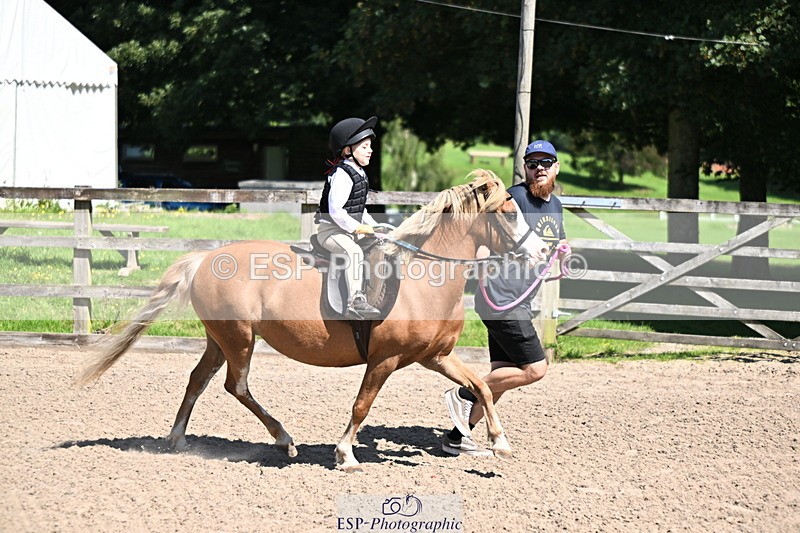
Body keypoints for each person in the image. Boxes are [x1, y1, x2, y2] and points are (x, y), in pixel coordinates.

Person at [442, 139, 567, 456]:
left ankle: (457, 437)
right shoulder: (514, 198)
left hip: (520, 299)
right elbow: (486, 233)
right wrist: (483, 266)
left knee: (503, 374)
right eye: (532, 163)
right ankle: (466, 393)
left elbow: (554, 241)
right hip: (502, 298)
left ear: (556, 167)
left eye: (545, 163)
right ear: (525, 167)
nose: (539, 169)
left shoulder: (555, 204)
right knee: (535, 369)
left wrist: (562, 254)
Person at [314, 116, 382, 319]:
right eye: (364, 147)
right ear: (347, 150)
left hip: (347, 231)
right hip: (331, 232)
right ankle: (355, 301)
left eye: (370, 146)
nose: (370, 150)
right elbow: (336, 211)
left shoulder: (359, 173)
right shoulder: (342, 174)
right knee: (353, 252)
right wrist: (360, 229)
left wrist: (378, 228)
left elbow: (360, 212)